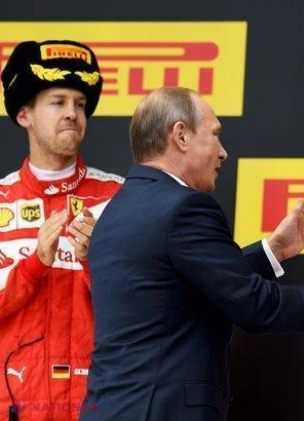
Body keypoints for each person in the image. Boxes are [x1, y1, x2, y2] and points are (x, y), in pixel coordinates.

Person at [80, 86, 304, 421]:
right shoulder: (184, 208)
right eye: (215, 135)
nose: (223, 153)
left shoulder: (114, 212)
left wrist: (274, 249)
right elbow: (251, 304)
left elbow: (191, 287)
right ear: (181, 135)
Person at [0, 40, 124, 420]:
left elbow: (145, 306)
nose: (72, 113)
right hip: (15, 405)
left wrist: (94, 262)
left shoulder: (119, 197)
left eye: (80, 104)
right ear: (24, 114)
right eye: (58, 102)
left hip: (99, 404)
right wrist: (35, 265)